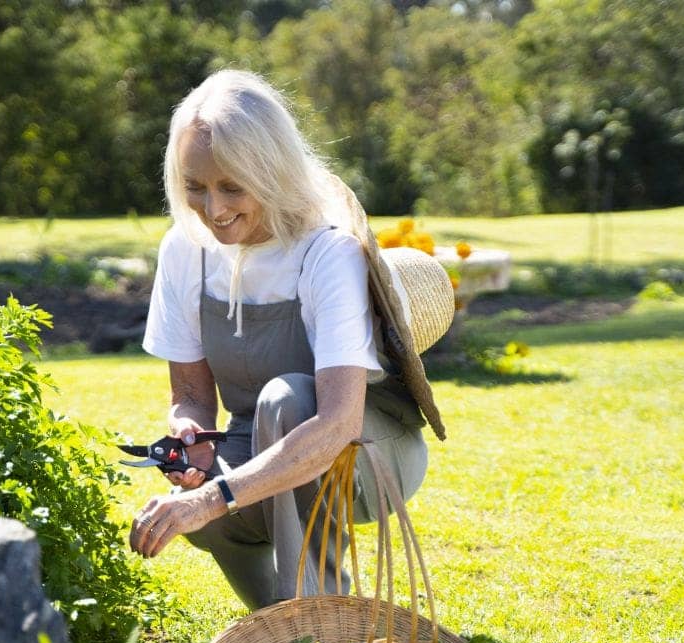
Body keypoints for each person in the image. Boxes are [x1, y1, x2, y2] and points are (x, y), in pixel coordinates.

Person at [128, 69, 450, 610]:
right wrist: (190, 435)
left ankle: (319, 608)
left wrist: (217, 494)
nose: (213, 209)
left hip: (366, 452)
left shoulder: (326, 253)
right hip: (261, 441)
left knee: (285, 401)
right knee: (195, 505)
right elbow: (189, 392)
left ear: (272, 171)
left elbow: (336, 423)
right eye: (195, 187)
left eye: (232, 186)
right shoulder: (184, 250)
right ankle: (282, 627)